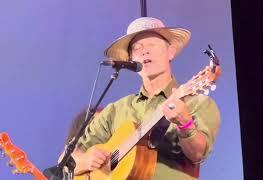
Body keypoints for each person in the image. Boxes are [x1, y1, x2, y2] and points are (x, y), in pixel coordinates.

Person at [71, 17, 221, 179]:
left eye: (152, 45)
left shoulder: (197, 103)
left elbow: (197, 154)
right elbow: (68, 159)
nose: (144, 51)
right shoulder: (116, 110)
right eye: (137, 48)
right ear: (130, 60)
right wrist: (85, 161)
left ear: (170, 51)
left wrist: (185, 123)